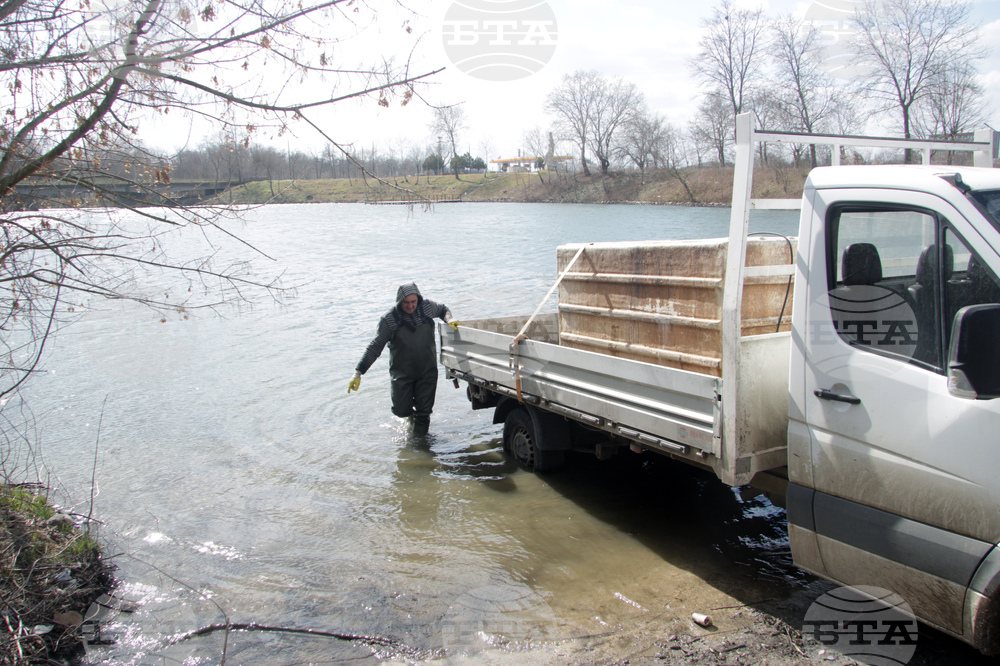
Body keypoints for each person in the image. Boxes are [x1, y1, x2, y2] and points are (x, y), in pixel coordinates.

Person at [348, 282, 459, 435]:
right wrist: (358, 372)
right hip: (402, 373)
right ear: (399, 301)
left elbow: (442, 309)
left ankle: (420, 444)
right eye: (406, 302)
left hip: (427, 370)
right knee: (401, 410)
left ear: (418, 299)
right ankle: (410, 419)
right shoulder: (389, 319)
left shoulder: (426, 307)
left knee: (424, 413)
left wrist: (449, 319)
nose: (410, 306)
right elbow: (375, 347)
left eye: (413, 302)